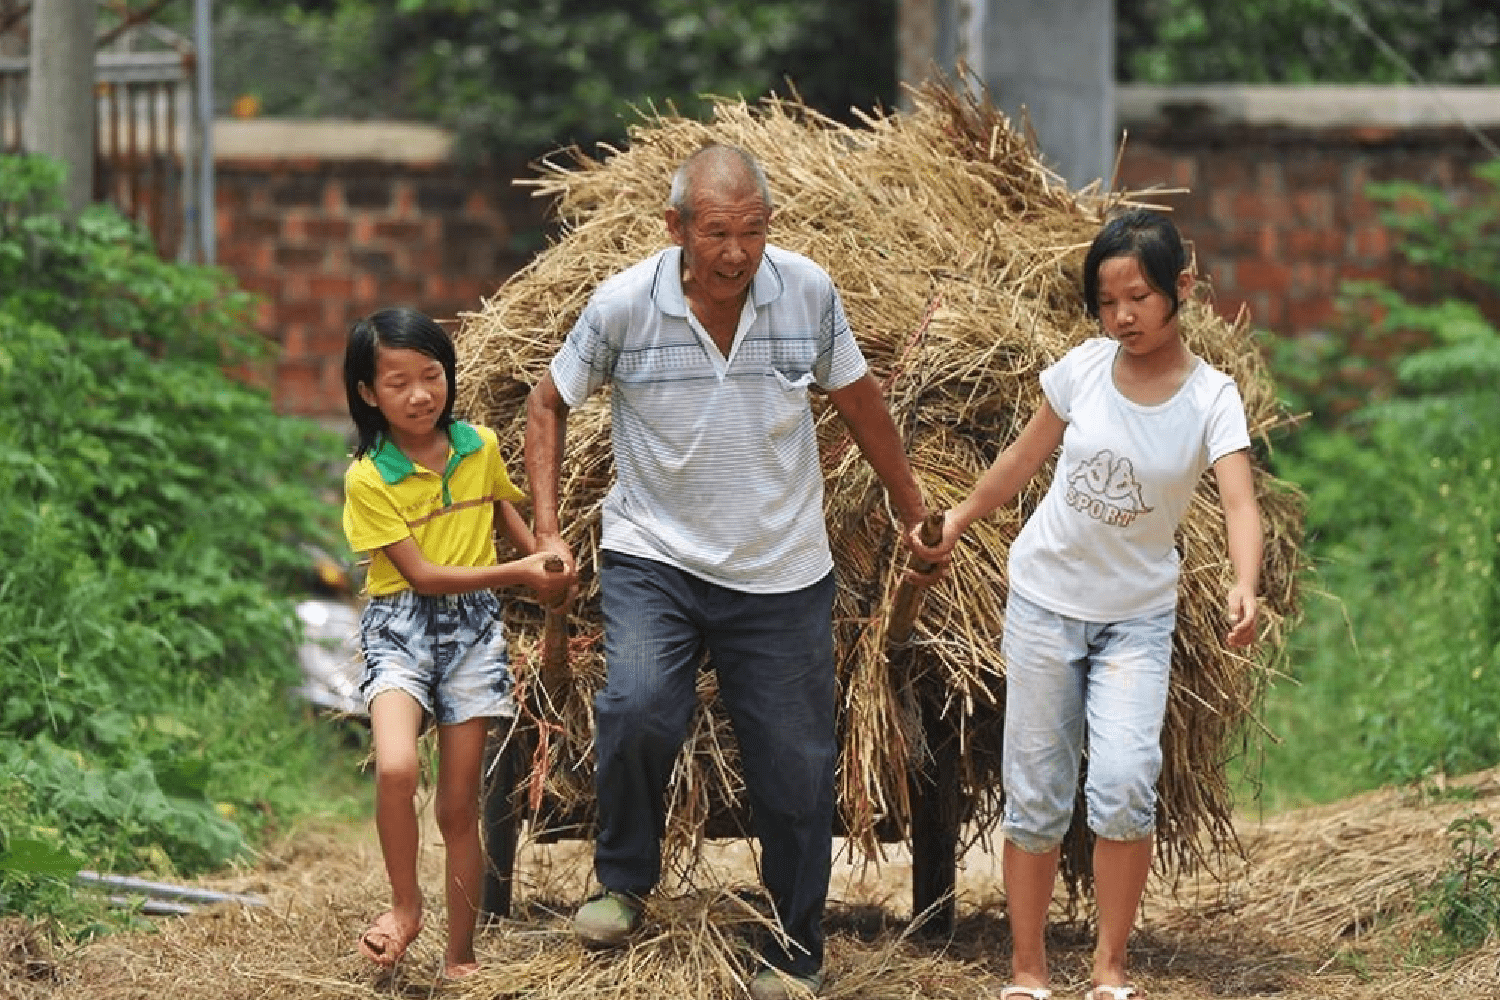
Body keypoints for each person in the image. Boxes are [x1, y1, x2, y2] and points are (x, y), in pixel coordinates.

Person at [524, 144, 928, 1000]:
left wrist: (910, 507)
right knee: (635, 708)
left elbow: (860, 402)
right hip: (654, 556)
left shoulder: (808, 292)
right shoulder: (624, 305)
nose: (737, 252)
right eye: (717, 232)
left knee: (796, 761)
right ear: (676, 228)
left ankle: (794, 945)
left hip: (780, 568)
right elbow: (548, 400)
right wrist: (551, 528)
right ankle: (624, 882)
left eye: (752, 231)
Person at [907, 209, 1263, 1000]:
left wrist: (1246, 581)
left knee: (1127, 782)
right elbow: (1019, 459)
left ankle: (1109, 969)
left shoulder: (1212, 398)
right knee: (1035, 791)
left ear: (1183, 290)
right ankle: (1027, 970)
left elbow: (1240, 502)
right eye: (1107, 303)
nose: (1122, 316)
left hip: (1138, 617)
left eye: (1138, 296)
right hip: (1044, 603)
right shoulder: (1083, 370)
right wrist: (959, 521)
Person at [341, 307, 572, 981]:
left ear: (448, 375)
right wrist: (520, 573)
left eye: (431, 376)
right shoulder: (367, 477)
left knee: (458, 805)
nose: (419, 395)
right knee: (395, 769)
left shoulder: (479, 445)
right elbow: (422, 574)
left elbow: (502, 508)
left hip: (474, 633)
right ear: (367, 393)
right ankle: (406, 909)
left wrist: (545, 558)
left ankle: (460, 956)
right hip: (400, 627)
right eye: (398, 383)